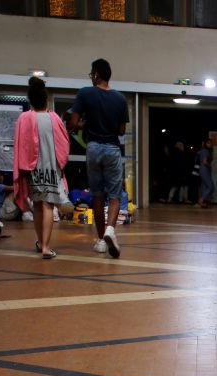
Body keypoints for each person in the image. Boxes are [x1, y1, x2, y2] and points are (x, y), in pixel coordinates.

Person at [69, 57, 128, 258]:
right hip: (112, 148)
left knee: (97, 195)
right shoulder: (120, 99)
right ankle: (111, 229)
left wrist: (86, 124)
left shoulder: (85, 93)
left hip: (93, 148)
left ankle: (102, 240)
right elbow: (121, 130)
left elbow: (73, 122)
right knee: (115, 195)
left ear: (96, 74)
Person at [14, 76, 69, 260]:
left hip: (32, 169)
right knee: (48, 205)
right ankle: (46, 246)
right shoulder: (54, 119)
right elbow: (64, 145)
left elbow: (20, 145)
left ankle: (40, 243)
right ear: (46, 100)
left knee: (37, 205)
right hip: (51, 169)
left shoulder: (24, 118)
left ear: (30, 100)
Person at [197, 138, 215, 207]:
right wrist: (210, 165)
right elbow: (204, 162)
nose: (209, 144)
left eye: (210, 143)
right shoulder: (205, 151)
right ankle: (201, 200)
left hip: (203, 170)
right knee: (211, 187)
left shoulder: (203, 151)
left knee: (205, 186)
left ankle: (204, 203)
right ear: (205, 144)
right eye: (208, 143)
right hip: (205, 170)